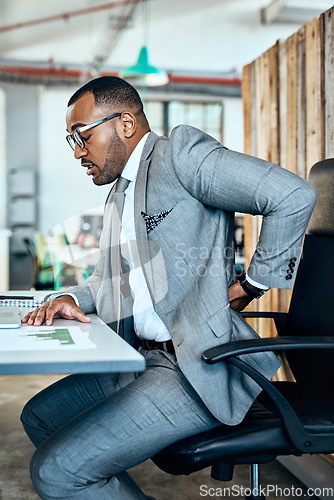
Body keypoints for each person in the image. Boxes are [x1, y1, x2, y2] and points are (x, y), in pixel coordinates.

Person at [21, 76, 316, 500]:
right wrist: (68, 298)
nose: (79, 152)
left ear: (124, 123)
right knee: (40, 417)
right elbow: (109, 280)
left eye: (82, 136)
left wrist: (253, 284)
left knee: (57, 472)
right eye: (72, 140)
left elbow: (291, 195)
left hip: (193, 367)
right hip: (136, 357)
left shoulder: (180, 154)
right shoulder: (119, 194)